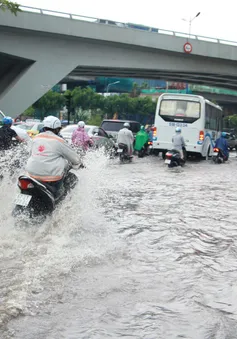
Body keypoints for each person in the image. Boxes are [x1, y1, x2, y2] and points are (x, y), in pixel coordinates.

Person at [26, 116, 80, 194]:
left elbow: (29, 153)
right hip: (50, 178)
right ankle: (60, 202)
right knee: (68, 180)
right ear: (56, 129)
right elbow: (75, 159)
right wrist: (79, 163)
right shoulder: (59, 141)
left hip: (31, 174)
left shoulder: (35, 138)